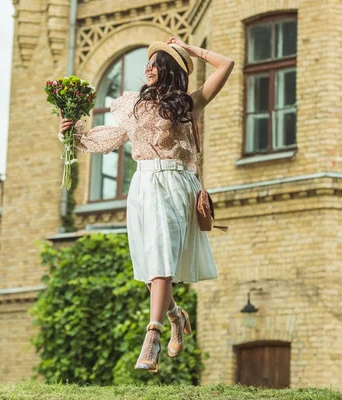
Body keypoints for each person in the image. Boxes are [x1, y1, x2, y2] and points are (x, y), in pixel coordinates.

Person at [58, 37, 234, 373]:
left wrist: (187, 51)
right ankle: (174, 316)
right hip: (143, 185)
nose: (148, 68)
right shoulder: (133, 106)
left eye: (156, 62)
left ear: (169, 70)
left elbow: (226, 64)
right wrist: (73, 134)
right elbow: (106, 137)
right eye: (148, 62)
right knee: (152, 261)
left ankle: (151, 338)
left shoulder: (189, 104)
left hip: (176, 185)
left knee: (161, 254)